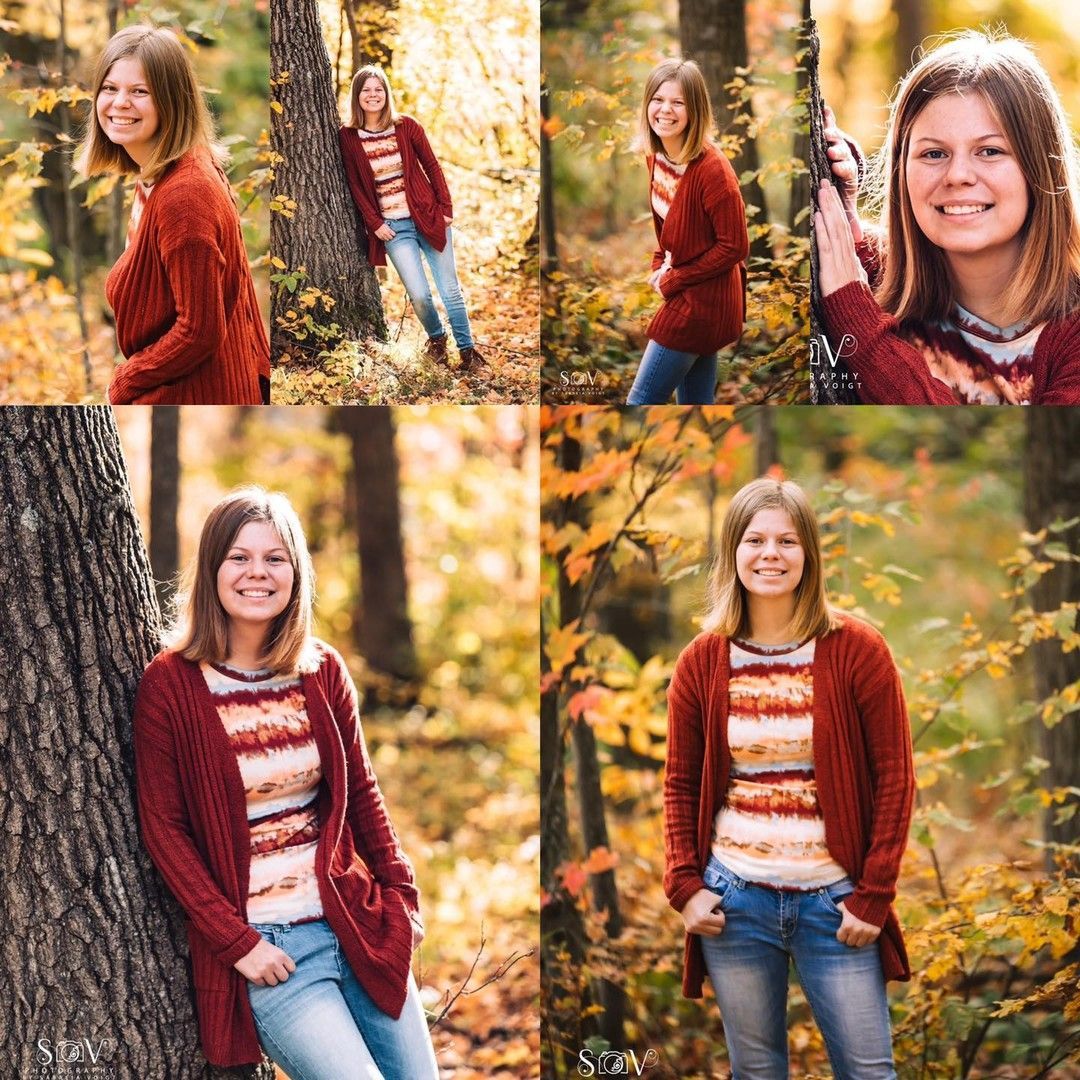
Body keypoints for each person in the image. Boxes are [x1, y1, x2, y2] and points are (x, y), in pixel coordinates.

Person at [132, 488, 437, 1079]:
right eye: (239, 557)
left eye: (275, 558)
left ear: (296, 573)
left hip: (357, 922)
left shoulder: (321, 670)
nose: (257, 573)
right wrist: (237, 943)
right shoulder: (171, 686)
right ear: (212, 569)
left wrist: (403, 897)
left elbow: (363, 795)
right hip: (273, 952)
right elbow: (164, 831)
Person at [663, 477, 915, 1078]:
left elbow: (896, 780)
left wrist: (874, 895)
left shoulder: (855, 648)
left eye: (787, 541)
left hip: (837, 905)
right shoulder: (703, 660)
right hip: (736, 902)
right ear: (733, 552)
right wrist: (685, 885)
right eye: (754, 539)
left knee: (869, 1072)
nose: (770, 554)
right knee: (756, 1071)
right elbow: (680, 784)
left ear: (809, 555)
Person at [816, 30, 1080, 404]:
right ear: (901, 171)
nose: (958, 175)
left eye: (989, 151)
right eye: (934, 154)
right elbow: (864, 269)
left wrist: (861, 330)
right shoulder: (883, 282)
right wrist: (835, 192)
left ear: (1039, 168)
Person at [76, 25, 269, 405]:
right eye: (110, 88)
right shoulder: (162, 173)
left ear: (172, 101)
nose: (119, 103)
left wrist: (125, 381)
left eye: (140, 92)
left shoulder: (185, 196)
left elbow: (199, 331)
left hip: (195, 393)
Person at [338, 65, 483, 372]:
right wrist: (374, 223)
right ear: (357, 96)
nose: (373, 95)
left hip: (428, 217)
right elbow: (354, 184)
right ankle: (437, 342)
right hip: (394, 228)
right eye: (366, 90)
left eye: (378, 89)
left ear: (386, 93)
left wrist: (446, 208)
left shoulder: (407, 127)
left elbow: (432, 167)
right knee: (419, 294)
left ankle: (468, 353)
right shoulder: (348, 137)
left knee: (450, 290)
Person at [626, 58, 749, 405]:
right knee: (696, 405)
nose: (665, 110)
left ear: (695, 110)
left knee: (640, 401)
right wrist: (659, 264)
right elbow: (671, 231)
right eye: (658, 99)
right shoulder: (657, 157)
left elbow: (734, 246)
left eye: (678, 102)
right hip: (693, 294)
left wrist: (675, 278)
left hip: (705, 302)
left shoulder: (713, 172)